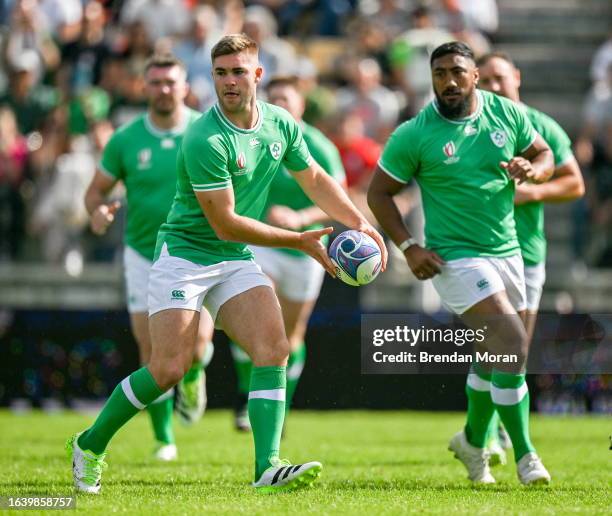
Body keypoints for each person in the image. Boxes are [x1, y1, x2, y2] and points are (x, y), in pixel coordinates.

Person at [68, 33, 386, 493]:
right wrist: (300, 241)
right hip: (185, 257)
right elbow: (226, 224)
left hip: (232, 259)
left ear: (257, 75)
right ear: (212, 77)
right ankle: (90, 444)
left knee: (273, 348)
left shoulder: (280, 123)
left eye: (239, 71)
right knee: (168, 369)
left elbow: (315, 177)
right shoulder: (204, 137)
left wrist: (359, 222)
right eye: (221, 73)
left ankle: (267, 466)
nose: (229, 81)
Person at [367, 41, 554, 485]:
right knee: (512, 343)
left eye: (456, 72)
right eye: (439, 74)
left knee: (496, 357)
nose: (448, 81)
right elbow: (379, 193)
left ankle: (472, 441)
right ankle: (527, 456)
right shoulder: (415, 133)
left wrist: (534, 171)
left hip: (509, 251)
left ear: (474, 75)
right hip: (454, 259)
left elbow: (544, 155)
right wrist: (409, 246)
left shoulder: (506, 114)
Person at [81, 54, 213, 462]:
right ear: (144, 87)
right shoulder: (126, 139)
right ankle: (165, 437)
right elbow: (95, 192)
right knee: (153, 353)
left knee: (199, 343)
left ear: (184, 86)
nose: (164, 89)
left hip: (196, 250)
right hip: (143, 255)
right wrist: (97, 212)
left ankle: (193, 374)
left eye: (171, 82)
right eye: (155, 82)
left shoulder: (205, 130)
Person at [477, 51, 585, 463]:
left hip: (527, 253)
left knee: (512, 349)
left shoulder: (540, 127)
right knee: (491, 344)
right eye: (484, 80)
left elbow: (575, 183)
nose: (493, 87)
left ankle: (493, 430)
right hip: (481, 250)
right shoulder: (470, 129)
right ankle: (486, 436)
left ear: (516, 77)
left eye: (499, 78)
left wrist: (534, 191)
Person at [229, 75, 347, 432]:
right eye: (274, 98)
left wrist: (300, 217)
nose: (280, 104)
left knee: (291, 337)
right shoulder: (254, 136)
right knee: (254, 323)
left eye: (286, 99)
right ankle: (244, 398)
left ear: (300, 105)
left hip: (307, 252)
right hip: (265, 245)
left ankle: (281, 404)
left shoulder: (318, 145)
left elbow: (336, 199)